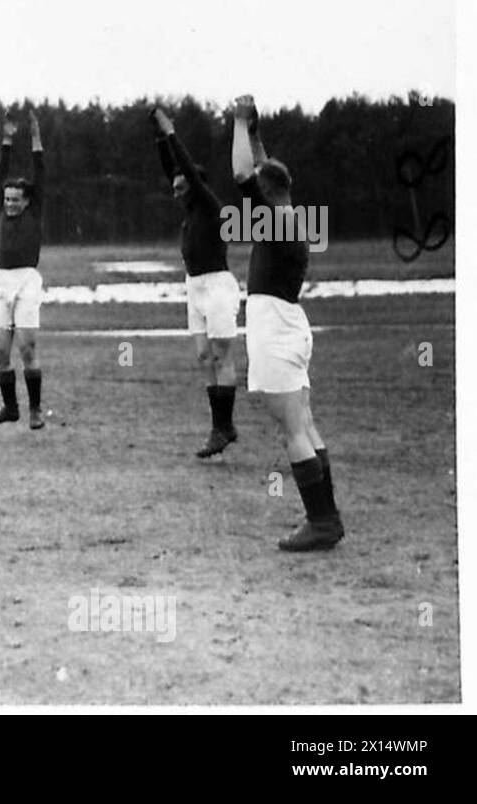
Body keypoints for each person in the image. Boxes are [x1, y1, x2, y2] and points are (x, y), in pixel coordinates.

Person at [230, 94, 343, 551]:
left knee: (293, 428)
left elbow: (242, 174)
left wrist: (238, 121)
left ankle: (321, 523)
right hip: (288, 324)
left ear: (267, 191)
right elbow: (260, 168)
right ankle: (327, 517)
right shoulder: (288, 213)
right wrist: (254, 131)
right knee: (305, 424)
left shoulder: (274, 219)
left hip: (275, 328)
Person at [150, 107, 241, 457]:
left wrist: (172, 134)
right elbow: (171, 171)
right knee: (204, 356)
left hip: (217, 285)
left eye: (181, 186)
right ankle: (221, 426)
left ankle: (223, 427)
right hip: (194, 287)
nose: (175, 191)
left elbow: (185, 169)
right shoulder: (190, 210)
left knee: (220, 355)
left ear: (195, 186)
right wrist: (159, 138)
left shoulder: (208, 204)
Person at [0, 110, 46, 429]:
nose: (9, 204)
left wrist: (35, 138)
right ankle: (10, 408)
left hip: (26, 280)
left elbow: (40, 171)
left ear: (26, 201)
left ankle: (35, 410)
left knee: (26, 346)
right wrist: (6, 139)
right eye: (6, 199)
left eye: (15, 200)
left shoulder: (34, 212)